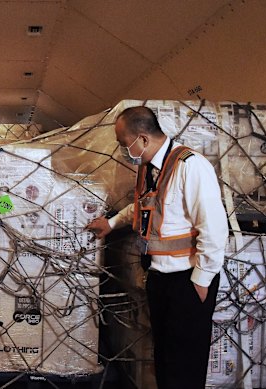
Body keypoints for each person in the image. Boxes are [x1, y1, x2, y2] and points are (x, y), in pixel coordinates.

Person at [87, 106, 228, 389]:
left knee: (184, 366)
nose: (122, 149)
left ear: (142, 139)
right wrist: (112, 223)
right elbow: (142, 208)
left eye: (123, 143)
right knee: (165, 361)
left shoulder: (190, 165)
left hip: (187, 282)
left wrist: (200, 281)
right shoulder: (149, 169)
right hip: (160, 280)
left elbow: (214, 228)